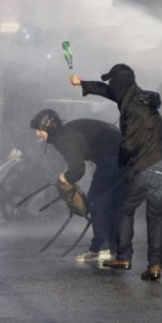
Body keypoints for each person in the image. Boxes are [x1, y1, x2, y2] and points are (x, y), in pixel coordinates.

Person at [71, 64, 162, 281]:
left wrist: (123, 168)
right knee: (155, 215)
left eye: (113, 81)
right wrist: (82, 83)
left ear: (119, 82)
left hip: (150, 163)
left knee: (125, 207)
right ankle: (155, 265)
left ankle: (123, 256)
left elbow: (129, 145)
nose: (111, 85)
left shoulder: (132, 109)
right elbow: (106, 90)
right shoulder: (137, 96)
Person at [29, 108, 123, 262]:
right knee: (108, 201)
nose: (37, 134)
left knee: (97, 200)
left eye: (39, 129)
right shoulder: (64, 133)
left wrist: (66, 177)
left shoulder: (63, 139)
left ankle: (103, 248)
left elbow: (78, 169)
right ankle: (110, 245)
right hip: (119, 151)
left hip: (115, 155)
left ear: (49, 127)